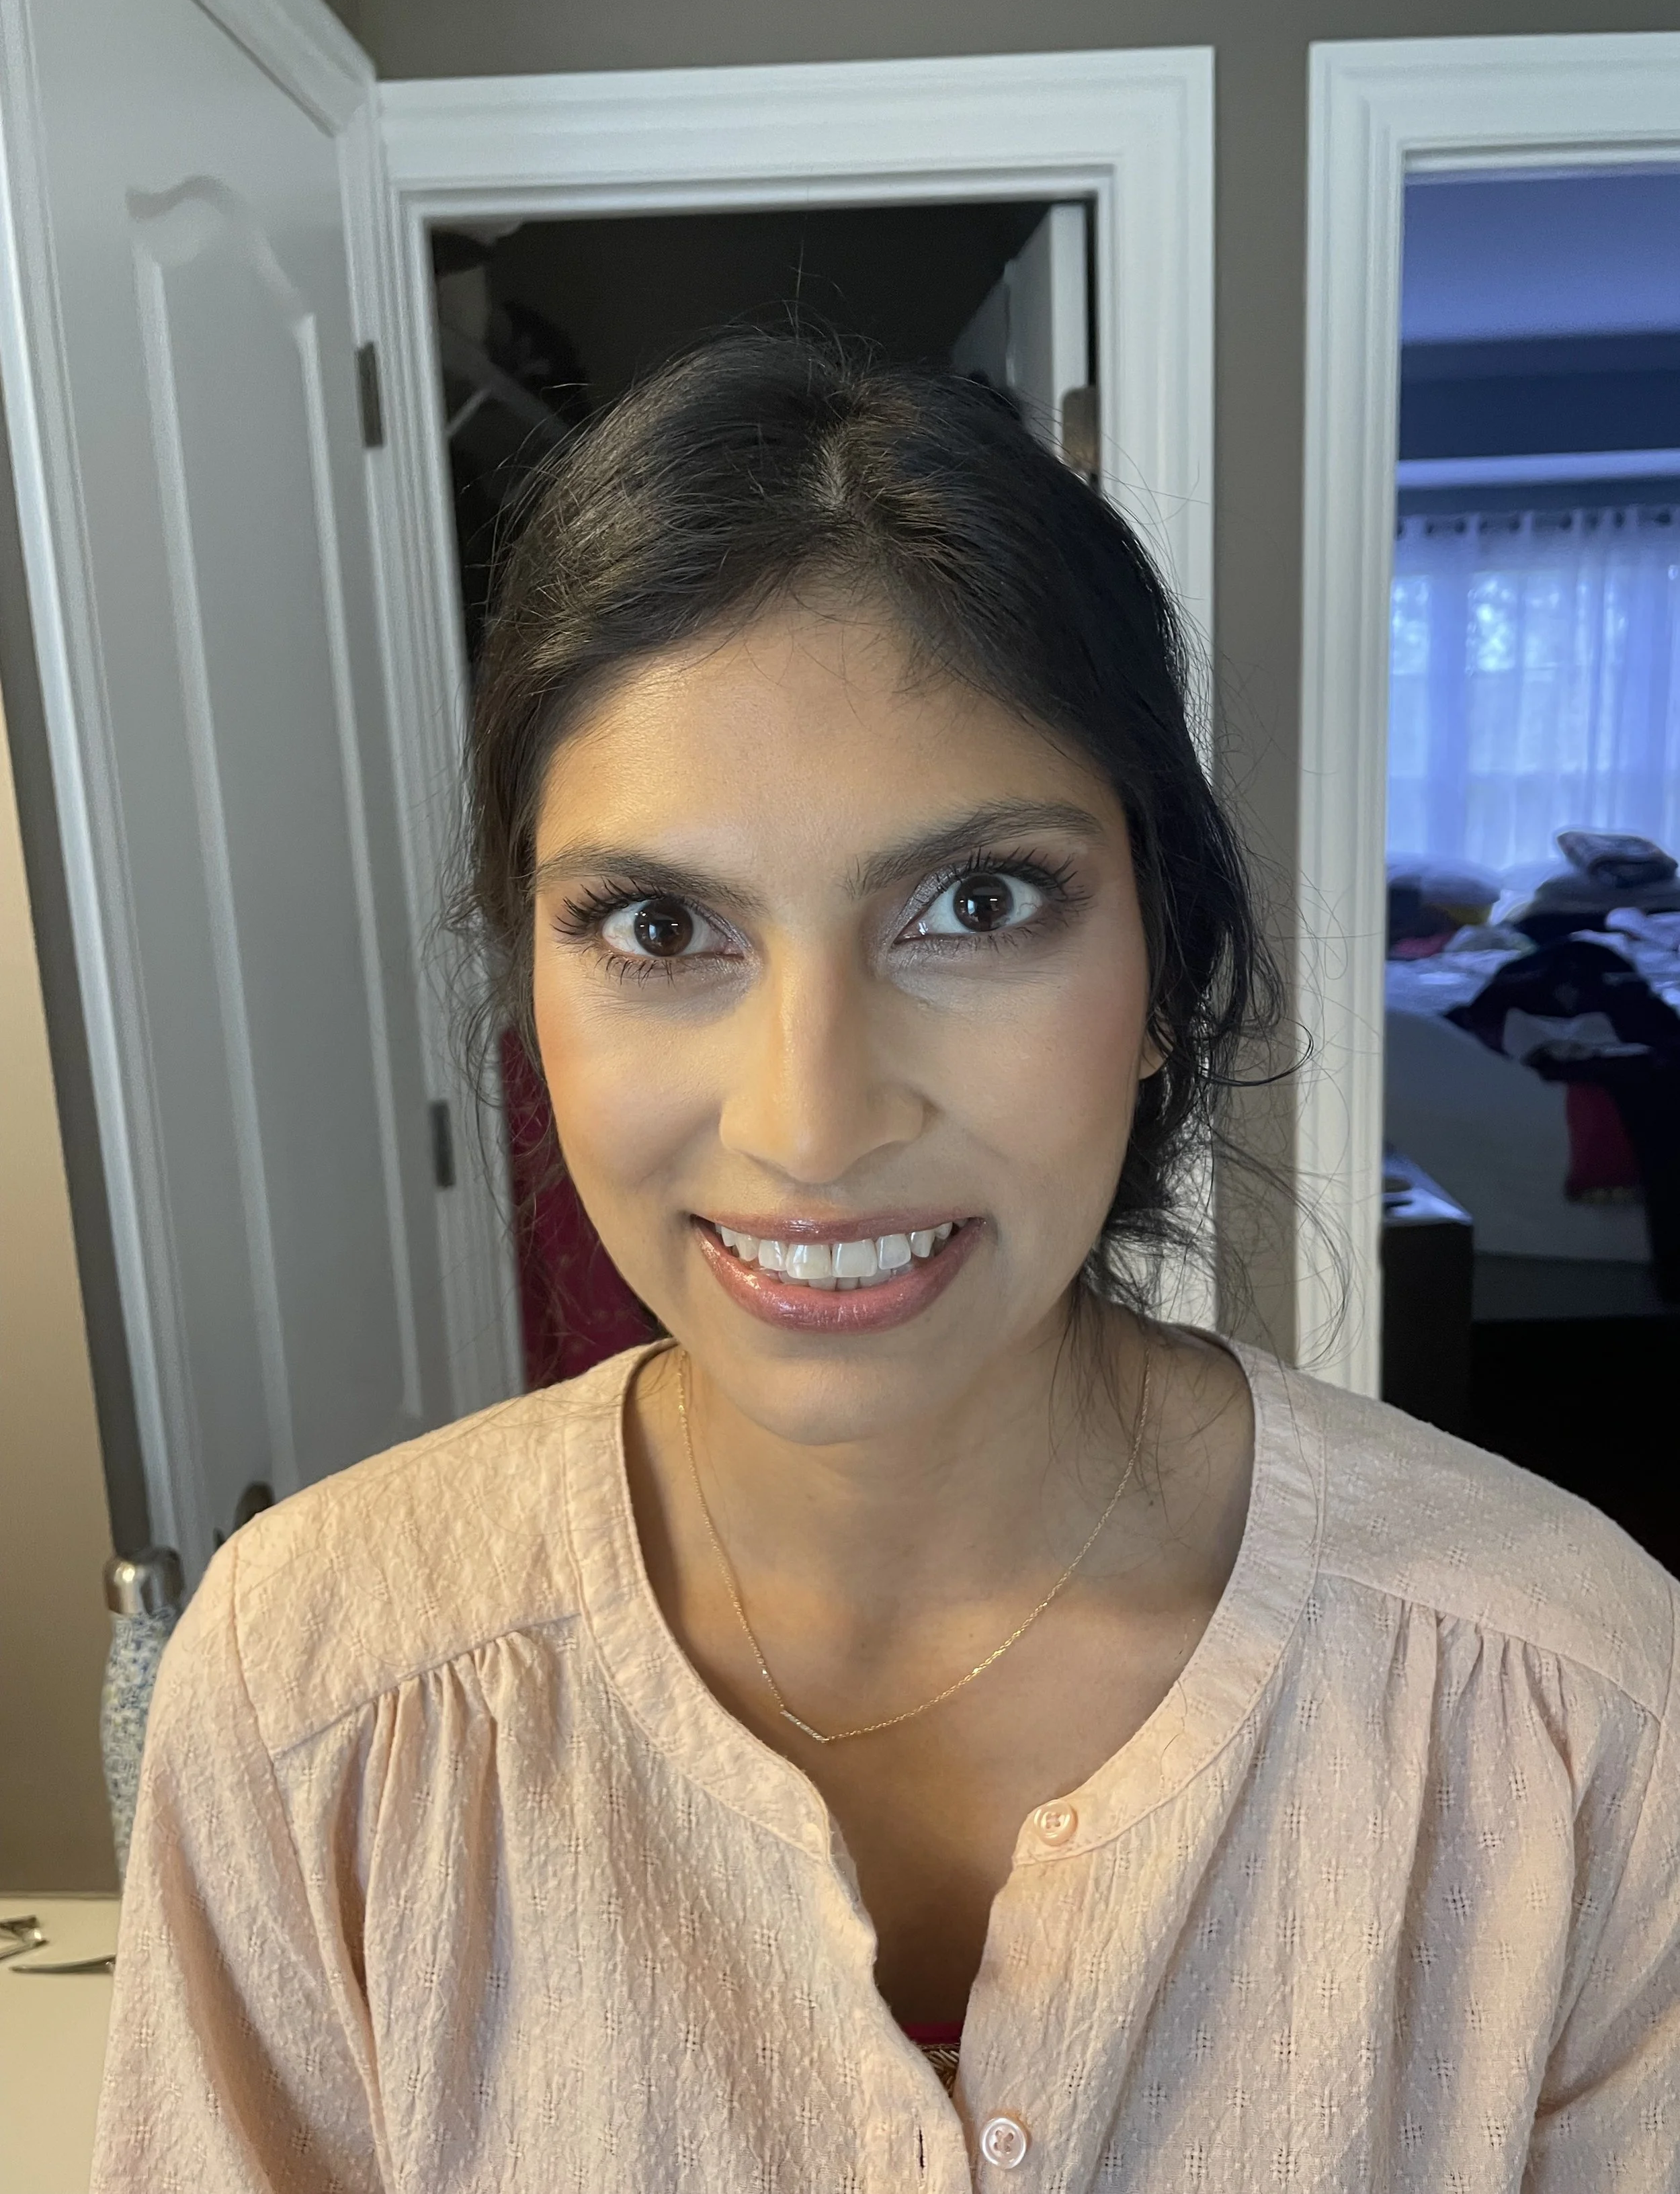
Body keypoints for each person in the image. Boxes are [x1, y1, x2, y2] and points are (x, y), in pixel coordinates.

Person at [92, 337, 1678, 2192]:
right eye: (659, 922)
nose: (812, 1120)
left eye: (973, 903)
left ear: (1163, 963)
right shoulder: (316, 1690)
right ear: (529, 980)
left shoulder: (1567, 1709)